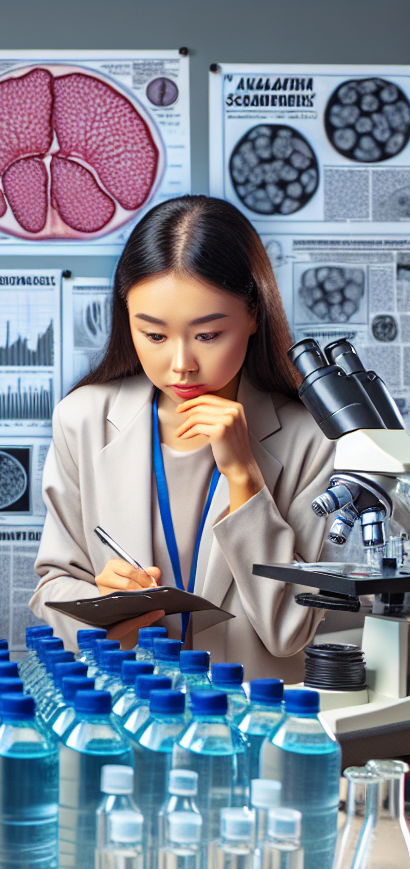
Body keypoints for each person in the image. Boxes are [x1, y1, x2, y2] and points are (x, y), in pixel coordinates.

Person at [30, 196, 335, 682]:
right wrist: (103, 608)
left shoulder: (312, 438)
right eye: (153, 335)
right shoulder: (83, 419)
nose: (181, 365)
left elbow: (288, 630)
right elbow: (53, 588)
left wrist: (243, 474)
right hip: (127, 713)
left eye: (208, 335)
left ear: (254, 314)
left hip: (252, 723)